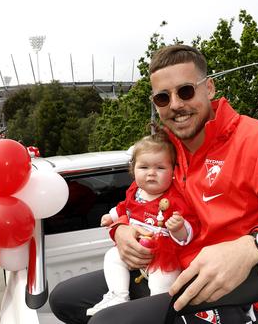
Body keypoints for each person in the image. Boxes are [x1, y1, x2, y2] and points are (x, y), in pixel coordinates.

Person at [49, 45, 258, 324]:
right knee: (64, 299)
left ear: (208, 88)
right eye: (162, 97)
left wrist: (253, 246)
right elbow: (139, 199)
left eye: (185, 91)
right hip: (167, 266)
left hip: (231, 293)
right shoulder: (167, 149)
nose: (175, 105)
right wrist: (123, 229)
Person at [85, 133, 199, 316]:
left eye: (160, 167)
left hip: (163, 257)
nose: (151, 173)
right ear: (133, 170)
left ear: (173, 171)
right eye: (144, 167)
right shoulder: (135, 191)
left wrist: (179, 228)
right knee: (112, 256)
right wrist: (112, 216)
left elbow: (189, 232)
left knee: (163, 282)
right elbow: (125, 207)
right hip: (136, 249)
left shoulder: (175, 199)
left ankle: (156, 312)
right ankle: (118, 295)